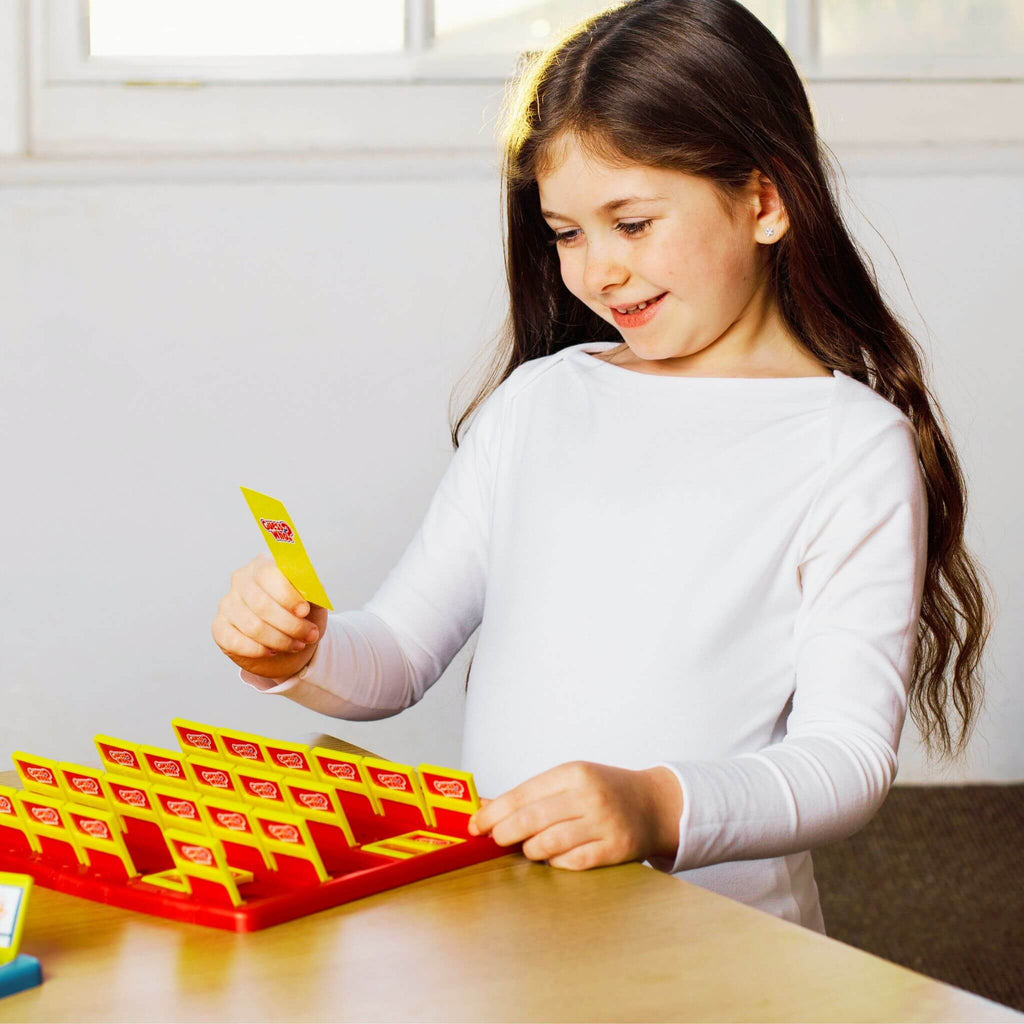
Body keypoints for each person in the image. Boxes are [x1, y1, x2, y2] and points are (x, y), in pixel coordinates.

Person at [210, 0, 992, 935]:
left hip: (726, 957)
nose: (598, 273)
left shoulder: (847, 446)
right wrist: (304, 650)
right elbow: (397, 657)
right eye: (569, 233)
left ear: (766, 200)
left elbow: (845, 761)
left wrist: (656, 807)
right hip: (515, 934)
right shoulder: (538, 404)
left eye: (632, 222)